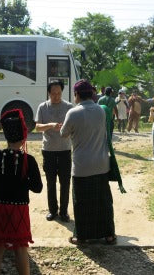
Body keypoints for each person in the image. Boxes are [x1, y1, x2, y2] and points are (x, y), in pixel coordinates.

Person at [0, 109, 43, 275]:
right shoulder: (29, 160)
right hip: (19, 209)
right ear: (24, 134)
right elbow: (38, 188)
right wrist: (23, 181)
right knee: (21, 248)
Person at [60, 79, 116, 245]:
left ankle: (81, 236)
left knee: (82, 203)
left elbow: (64, 133)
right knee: (103, 202)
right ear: (91, 93)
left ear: (76, 95)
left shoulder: (73, 113)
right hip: (101, 164)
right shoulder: (100, 110)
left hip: (82, 166)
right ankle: (109, 235)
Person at [35, 81, 73, 222]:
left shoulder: (69, 107)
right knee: (51, 182)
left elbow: (73, 126)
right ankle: (52, 211)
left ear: (61, 92)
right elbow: (37, 127)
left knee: (65, 182)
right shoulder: (43, 107)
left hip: (65, 149)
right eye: (53, 94)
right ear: (48, 93)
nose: (56, 96)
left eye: (58, 93)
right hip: (49, 150)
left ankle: (64, 211)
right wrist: (50, 125)